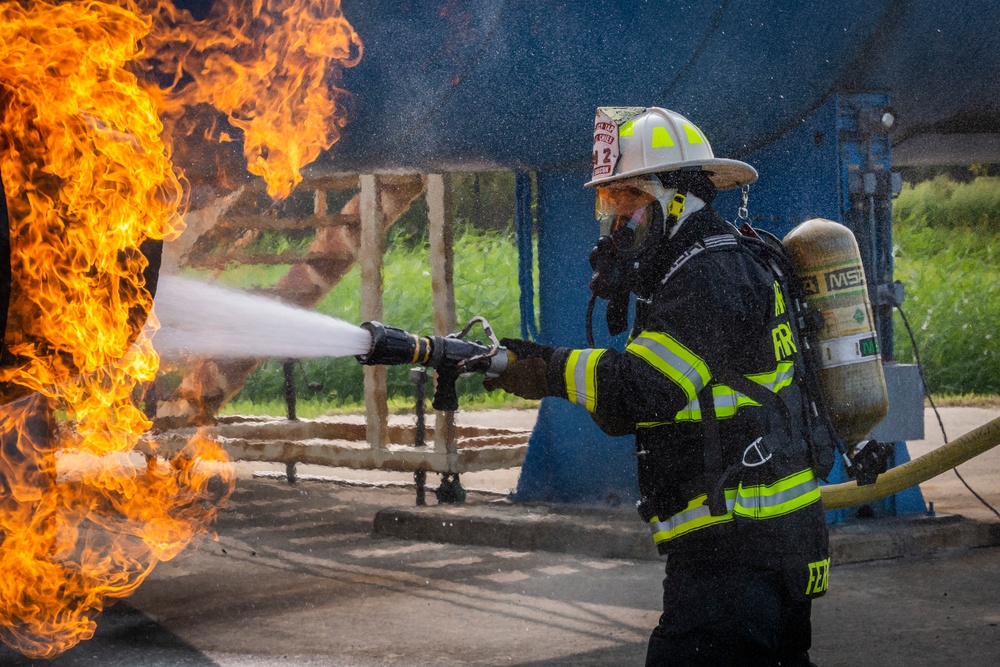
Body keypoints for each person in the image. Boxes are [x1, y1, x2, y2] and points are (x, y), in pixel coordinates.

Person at [485, 107, 830, 666]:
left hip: (741, 545)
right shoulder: (697, 266)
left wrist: (542, 369)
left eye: (629, 197)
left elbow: (644, 390)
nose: (617, 219)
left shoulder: (709, 275)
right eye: (609, 201)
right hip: (756, 537)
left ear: (676, 199)